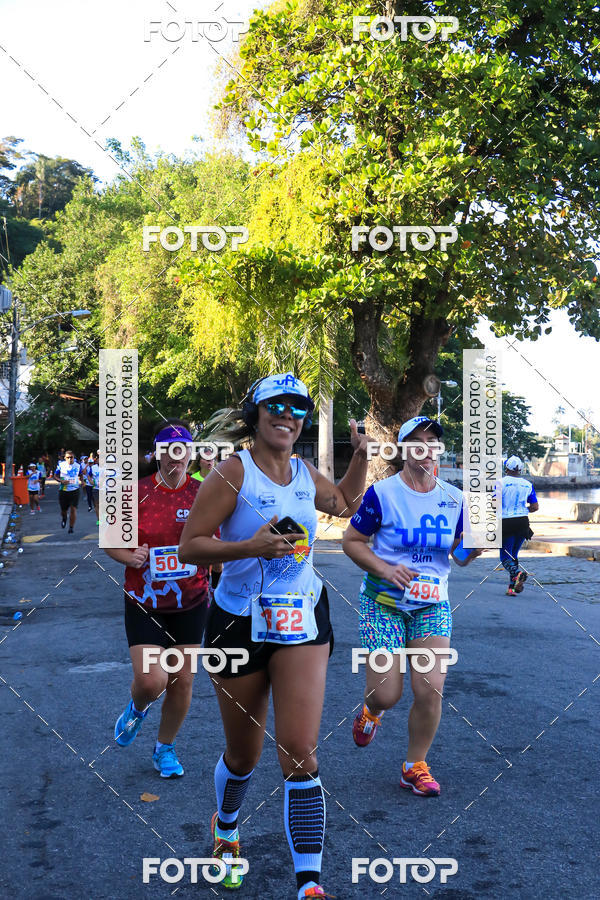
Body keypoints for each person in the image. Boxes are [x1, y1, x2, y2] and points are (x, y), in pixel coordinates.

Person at [179, 372, 371, 897]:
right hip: (236, 622)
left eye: (298, 407)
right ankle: (226, 825)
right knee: (245, 755)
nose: (288, 415)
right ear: (255, 414)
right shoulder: (231, 474)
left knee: (301, 751)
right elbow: (189, 547)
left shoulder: (306, 473)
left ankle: (309, 884)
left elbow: (345, 503)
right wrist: (250, 548)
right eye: (277, 406)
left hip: (302, 617)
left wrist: (359, 458)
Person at [342, 416, 482, 798]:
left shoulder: (454, 498)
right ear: (403, 450)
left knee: (430, 689)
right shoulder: (382, 494)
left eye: (432, 440)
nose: (425, 447)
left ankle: (414, 766)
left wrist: (475, 548)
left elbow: (460, 554)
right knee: (387, 693)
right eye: (416, 441)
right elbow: (351, 540)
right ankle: (372, 712)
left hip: (431, 604)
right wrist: (386, 568)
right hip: (383, 601)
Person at [105, 420, 213, 779]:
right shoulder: (134, 492)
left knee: (182, 680)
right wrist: (129, 556)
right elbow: (110, 541)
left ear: (190, 455)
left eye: (182, 450)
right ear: (158, 454)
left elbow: (219, 537)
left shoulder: (203, 493)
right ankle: (137, 709)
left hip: (192, 600)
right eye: (168, 450)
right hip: (144, 600)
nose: (175, 458)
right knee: (153, 681)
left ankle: (164, 748)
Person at [500, 456, 538, 595]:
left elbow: (493, 504)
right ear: (521, 469)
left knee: (505, 557)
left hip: (506, 522)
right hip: (523, 522)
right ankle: (512, 588)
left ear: (506, 468)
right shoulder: (527, 484)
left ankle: (517, 573)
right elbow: (534, 507)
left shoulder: (500, 483)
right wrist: (522, 510)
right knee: (514, 555)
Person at [54, 450, 83, 533]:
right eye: (68, 457)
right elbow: (55, 476)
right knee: (63, 511)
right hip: (64, 490)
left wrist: (82, 481)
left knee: (73, 509)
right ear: (65, 458)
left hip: (74, 490)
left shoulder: (78, 465)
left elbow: (80, 474)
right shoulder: (61, 465)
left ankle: (71, 527)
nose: (70, 459)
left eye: (71, 457)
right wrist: (61, 481)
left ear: (74, 457)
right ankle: (64, 518)